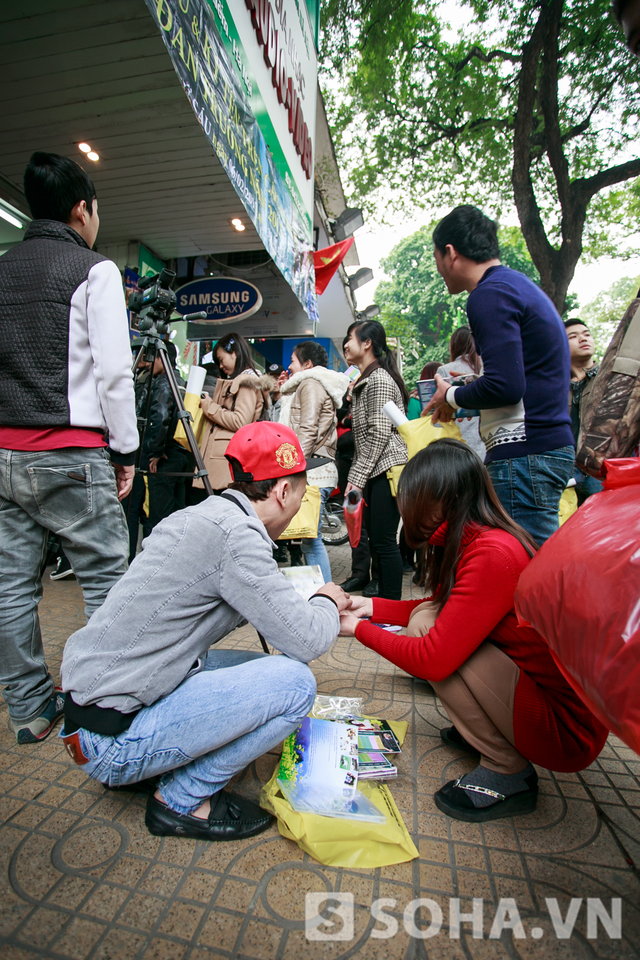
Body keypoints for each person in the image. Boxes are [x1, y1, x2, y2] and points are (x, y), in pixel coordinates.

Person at [59, 421, 349, 842]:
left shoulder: (208, 515)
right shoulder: (237, 537)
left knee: (251, 667)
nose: (296, 511)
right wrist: (326, 600)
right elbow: (305, 640)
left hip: (89, 712)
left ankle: (151, 763)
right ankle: (181, 801)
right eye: (300, 498)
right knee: (295, 685)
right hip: (108, 740)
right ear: (283, 492)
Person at [339, 440, 607, 822]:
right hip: (539, 696)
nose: (405, 506)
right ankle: (485, 732)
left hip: (565, 731)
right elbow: (448, 608)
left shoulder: (493, 553)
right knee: (428, 619)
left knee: (426, 634)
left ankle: (506, 769)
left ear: (441, 498)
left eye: (412, 496)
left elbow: (432, 658)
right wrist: (371, 607)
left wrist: (359, 630)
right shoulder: (480, 538)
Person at [0, 151, 138, 745]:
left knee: (10, 585)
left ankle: (29, 710)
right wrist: (125, 451)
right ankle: (105, 704)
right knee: (108, 578)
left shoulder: (2, 269)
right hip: (72, 453)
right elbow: (114, 374)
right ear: (82, 210)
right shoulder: (94, 270)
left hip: (4, 456)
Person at [425, 205, 574, 545]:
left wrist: (450, 395)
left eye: (436, 258)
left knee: (526, 573)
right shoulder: (516, 286)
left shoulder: (487, 295)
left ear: (450, 253)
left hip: (524, 454)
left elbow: (506, 386)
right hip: (541, 448)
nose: (439, 270)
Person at [344, 320, 409, 600]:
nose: (346, 344)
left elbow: (379, 433)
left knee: (383, 542)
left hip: (385, 470)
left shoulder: (379, 379)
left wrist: (355, 478)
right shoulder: (367, 378)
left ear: (366, 343)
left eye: (350, 338)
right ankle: (385, 604)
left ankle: (392, 606)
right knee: (378, 540)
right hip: (376, 470)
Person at [279, 341, 349, 583]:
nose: (289, 366)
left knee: (311, 538)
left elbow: (307, 429)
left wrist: (294, 467)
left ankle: (326, 594)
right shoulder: (311, 384)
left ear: (307, 364)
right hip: (316, 466)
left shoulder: (310, 383)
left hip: (313, 469)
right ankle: (319, 592)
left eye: (293, 361)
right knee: (310, 537)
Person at [124, 342, 189, 561]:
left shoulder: (162, 382)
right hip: (182, 453)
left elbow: (160, 416)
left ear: (160, 358)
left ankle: (151, 562)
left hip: (159, 455)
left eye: (148, 357)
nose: (144, 363)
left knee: (154, 514)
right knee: (176, 512)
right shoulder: (180, 381)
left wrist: (154, 450)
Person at [191, 333, 272, 501]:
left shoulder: (247, 382)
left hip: (226, 461)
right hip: (227, 460)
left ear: (234, 353)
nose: (221, 366)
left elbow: (240, 421)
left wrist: (210, 407)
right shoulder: (247, 380)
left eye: (221, 360)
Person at [564, 319, 603, 504]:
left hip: (601, 467)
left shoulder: (609, 378)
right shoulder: (556, 384)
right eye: (573, 336)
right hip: (565, 468)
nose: (582, 339)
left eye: (586, 334)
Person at [435, 326, 486, 460]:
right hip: (486, 447)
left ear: (454, 346)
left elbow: (438, 419)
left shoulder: (445, 371)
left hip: (459, 450)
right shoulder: (484, 369)